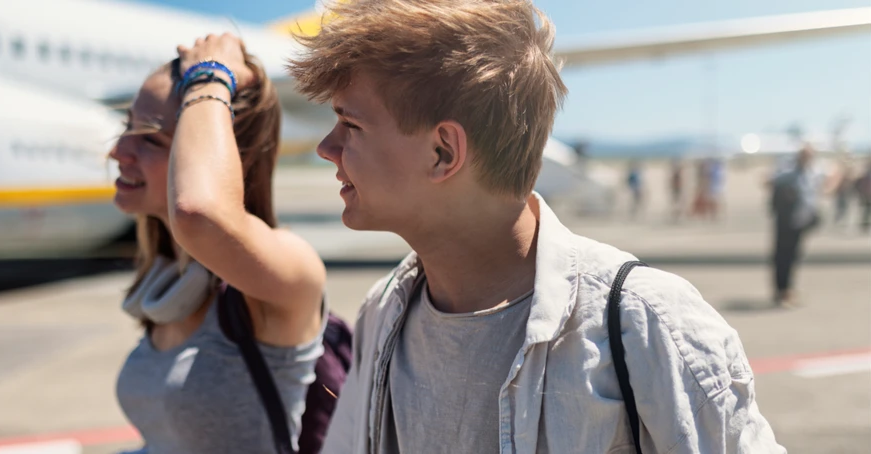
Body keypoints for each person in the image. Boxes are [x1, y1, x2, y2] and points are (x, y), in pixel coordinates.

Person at [288, 0, 784, 452]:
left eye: (350, 125)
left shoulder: (648, 325)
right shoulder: (383, 312)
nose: (326, 148)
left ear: (444, 152)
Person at [109, 36, 328, 453]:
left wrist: (208, 78)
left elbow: (198, 212)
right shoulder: (168, 277)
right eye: (126, 127)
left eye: (150, 139)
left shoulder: (286, 272)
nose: (119, 151)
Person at [769, 144, 823, 307]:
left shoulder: (811, 174)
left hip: (801, 221)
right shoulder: (789, 174)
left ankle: (787, 289)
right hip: (786, 221)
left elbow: (812, 196)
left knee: (793, 256)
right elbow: (771, 181)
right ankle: (782, 290)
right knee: (783, 256)